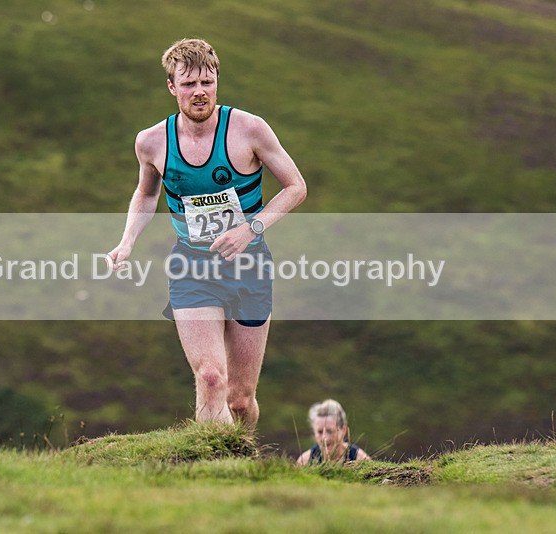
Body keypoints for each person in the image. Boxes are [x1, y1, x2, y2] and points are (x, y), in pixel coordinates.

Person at [107, 38, 307, 429]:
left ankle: (242, 460)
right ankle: (209, 468)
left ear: (217, 81)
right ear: (171, 86)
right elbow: (146, 194)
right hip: (192, 267)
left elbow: (296, 187)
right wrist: (127, 241)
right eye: (188, 84)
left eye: (207, 82)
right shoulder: (151, 142)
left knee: (240, 399)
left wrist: (250, 229)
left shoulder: (249, 129)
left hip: (249, 266)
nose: (199, 92)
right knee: (211, 377)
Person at [297, 399, 371, 465]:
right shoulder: (304, 462)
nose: (324, 438)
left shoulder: (361, 460)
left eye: (330, 431)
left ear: (343, 430)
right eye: (320, 432)